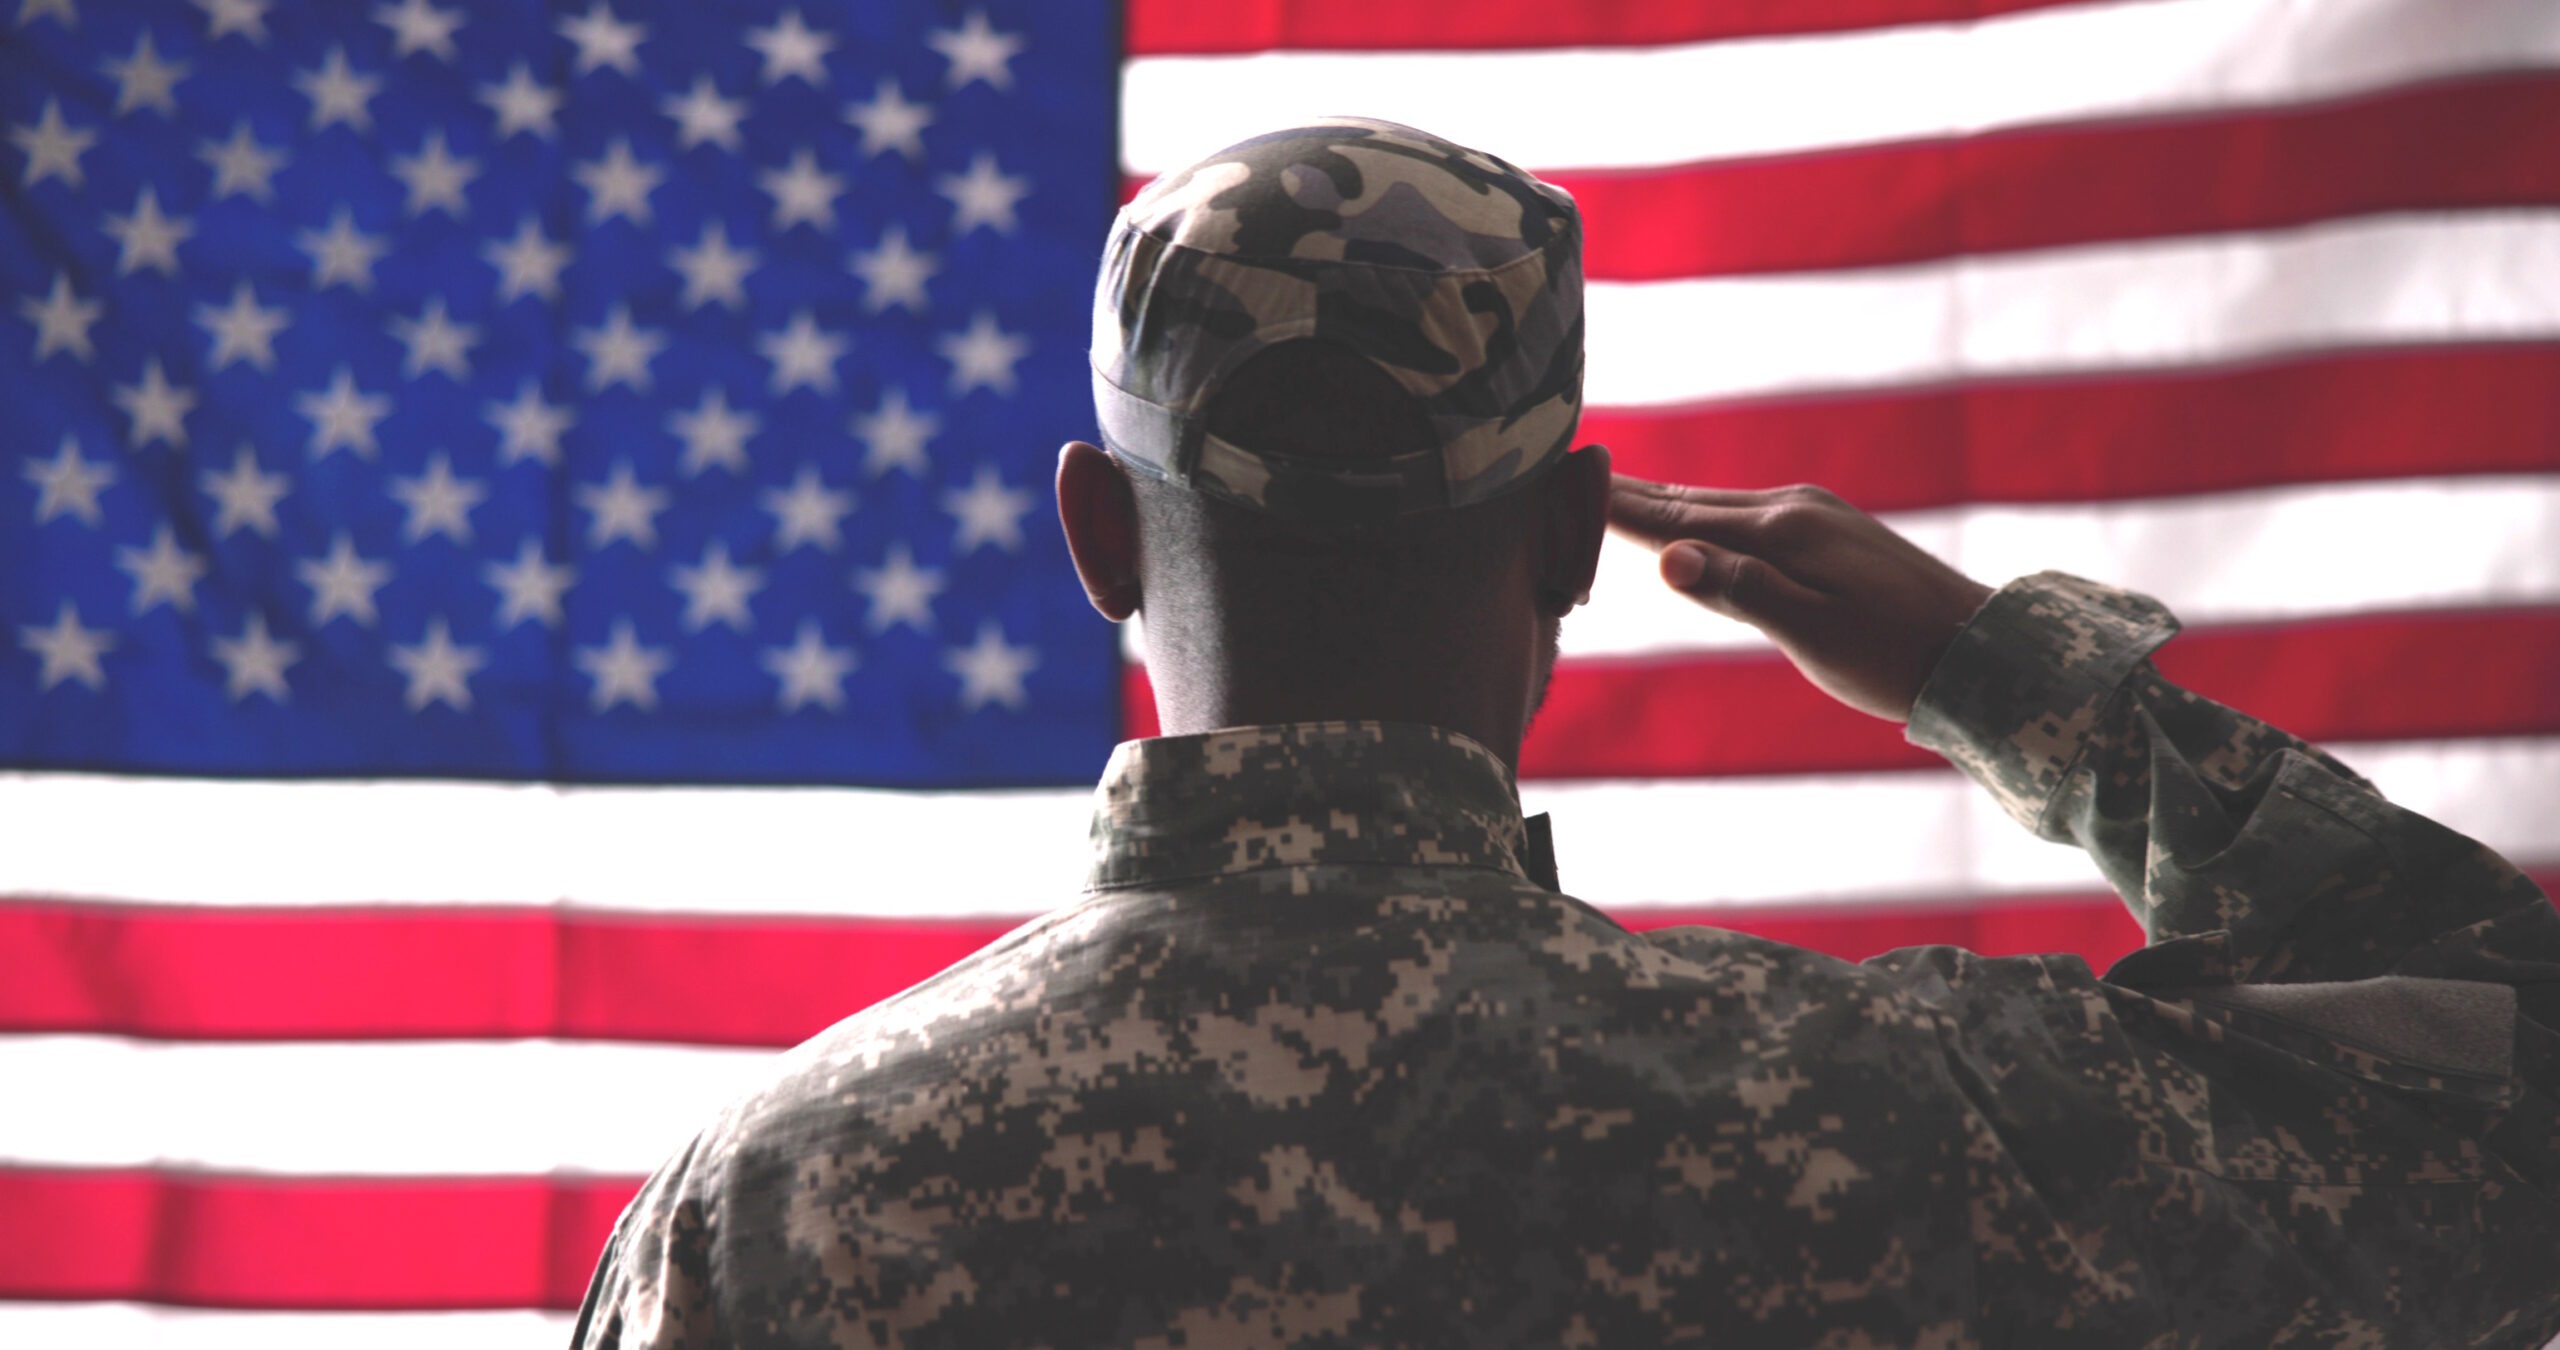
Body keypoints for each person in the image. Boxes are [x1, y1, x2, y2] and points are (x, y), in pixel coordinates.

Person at [574, 119, 2560, 1347]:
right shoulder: (1903, 1122)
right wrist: (1995, 673)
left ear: (1096, 531)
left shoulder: (781, 1210)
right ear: (1561, 536)